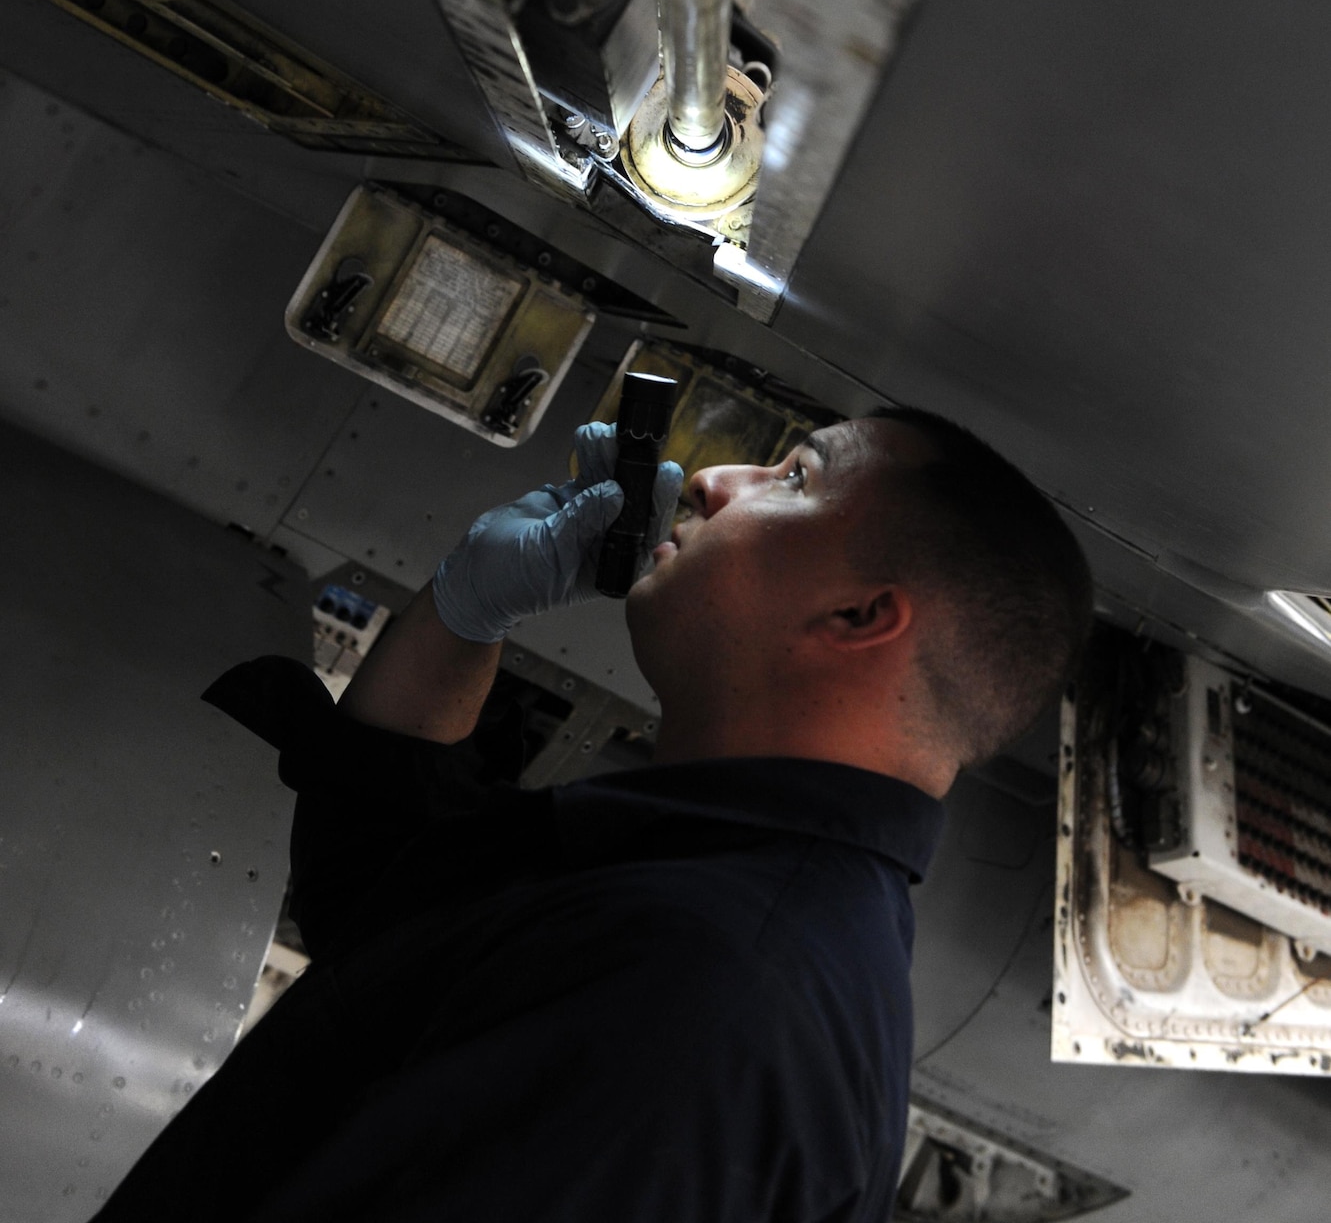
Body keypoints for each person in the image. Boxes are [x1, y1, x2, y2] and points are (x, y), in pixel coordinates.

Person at [96, 407, 1092, 1223]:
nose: (714, 479)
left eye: (792, 475)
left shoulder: (705, 990)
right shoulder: (716, 889)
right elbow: (385, 906)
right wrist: (463, 610)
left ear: (857, 616)